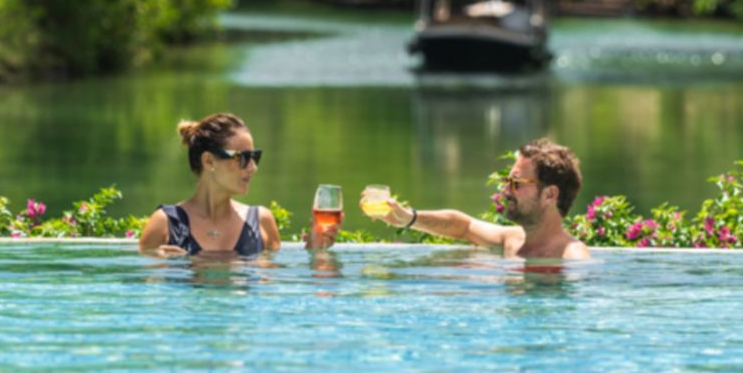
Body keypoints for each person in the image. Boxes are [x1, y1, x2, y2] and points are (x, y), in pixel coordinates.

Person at [138, 112, 339, 256]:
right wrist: (158, 268)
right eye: (243, 158)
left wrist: (316, 252)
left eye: (254, 157)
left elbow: (274, 298)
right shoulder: (165, 224)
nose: (252, 167)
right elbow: (147, 302)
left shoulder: (261, 222)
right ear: (208, 161)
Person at [365, 138, 589, 261]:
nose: (505, 191)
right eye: (506, 181)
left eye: (516, 184)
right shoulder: (514, 239)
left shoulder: (572, 259)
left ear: (549, 195)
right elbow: (464, 226)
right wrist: (408, 218)